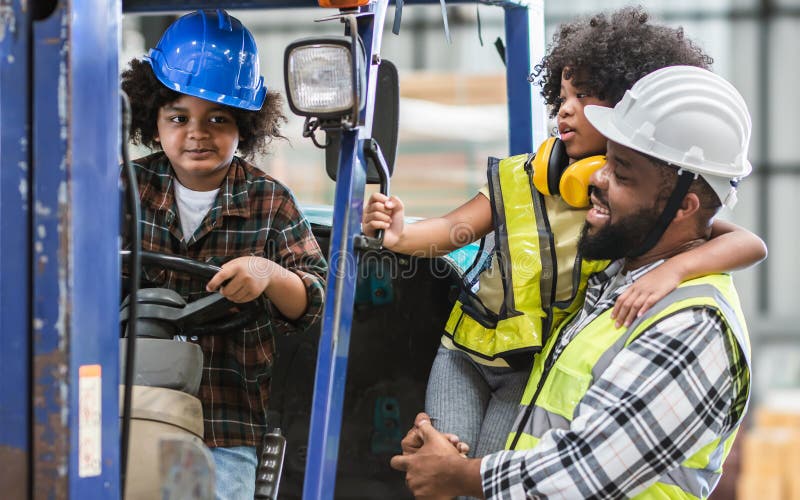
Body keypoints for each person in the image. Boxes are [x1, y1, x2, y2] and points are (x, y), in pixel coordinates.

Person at [362, 6, 766, 460]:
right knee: (444, 454)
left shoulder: (628, 214)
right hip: (467, 352)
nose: (565, 108)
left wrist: (674, 271)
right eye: (561, 95)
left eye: (585, 95)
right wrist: (398, 236)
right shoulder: (520, 177)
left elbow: (747, 243)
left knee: (477, 474)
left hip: (527, 368)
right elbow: (452, 230)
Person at [120, 9, 327, 499]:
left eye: (219, 118)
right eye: (179, 117)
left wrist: (267, 272)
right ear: (152, 120)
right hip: (126, 402)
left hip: (228, 420)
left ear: (246, 126)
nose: (197, 133)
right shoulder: (119, 189)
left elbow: (314, 299)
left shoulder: (271, 201)